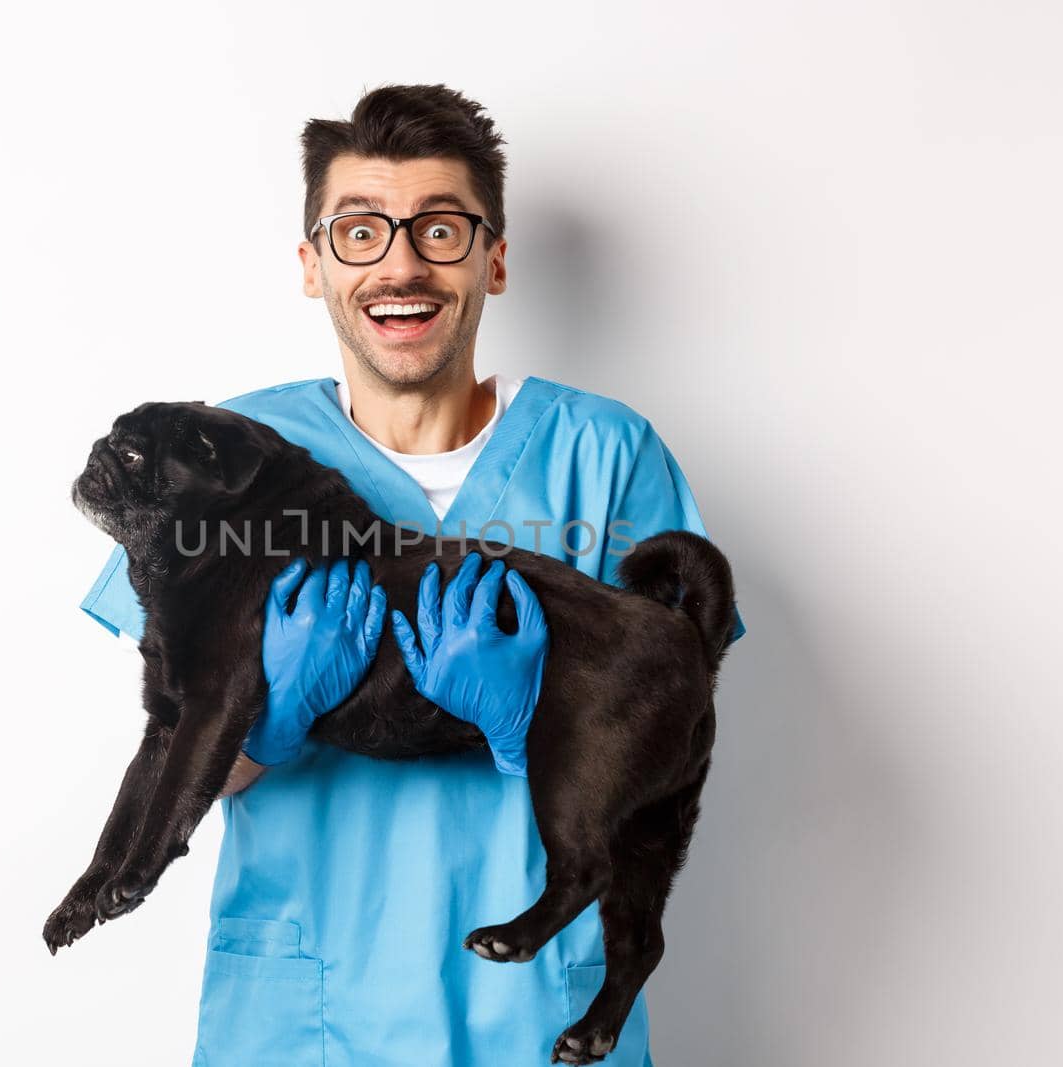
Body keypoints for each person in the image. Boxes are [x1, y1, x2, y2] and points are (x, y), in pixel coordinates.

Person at [77, 83, 746, 1067]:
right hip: (307, 1021)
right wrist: (273, 713)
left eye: (439, 229)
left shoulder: (606, 453)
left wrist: (533, 728)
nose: (400, 263)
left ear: (495, 257)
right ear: (312, 265)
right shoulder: (221, 454)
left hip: (536, 1014)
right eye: (359, 232)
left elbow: (669, 733)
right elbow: (177, 740)